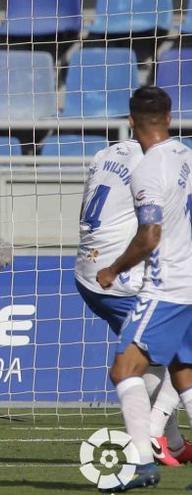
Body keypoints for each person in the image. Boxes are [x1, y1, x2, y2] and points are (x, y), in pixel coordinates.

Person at [97, 86, 192, 490]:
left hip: (166, 288)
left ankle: (138, 464)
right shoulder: (188, 155)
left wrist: (115, 268)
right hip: (191, 281)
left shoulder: (148, 169)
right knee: (185, 373)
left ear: (131, 121)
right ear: (169, 118)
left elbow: (149, 234)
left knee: (124, 369)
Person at [76, 139, 190, 466]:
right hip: (123, 278)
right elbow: (153, 231)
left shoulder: (104, 154)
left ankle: (174, 443)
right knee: (175, 354)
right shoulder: (160, 162)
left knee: (153, 355)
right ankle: (154, 435)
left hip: (89, 272)